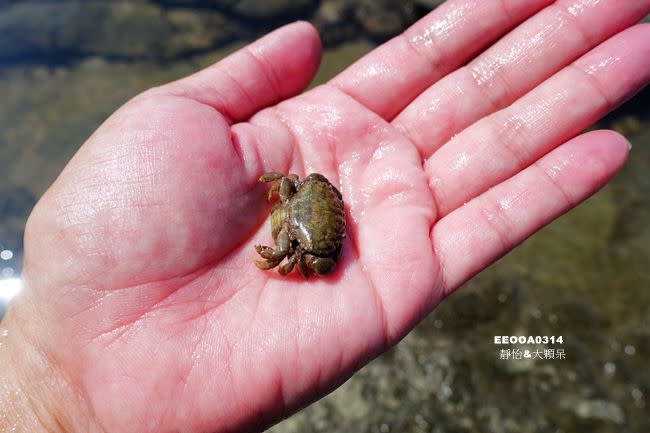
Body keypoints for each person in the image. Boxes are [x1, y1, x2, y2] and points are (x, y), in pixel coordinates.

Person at [1, 1, 649, 431]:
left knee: (301, 254)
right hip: (317, 207)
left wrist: (47, 395)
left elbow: (303, 235)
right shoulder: (304, 190)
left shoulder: (310, 218)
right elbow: (293, 195)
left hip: (319, 216)